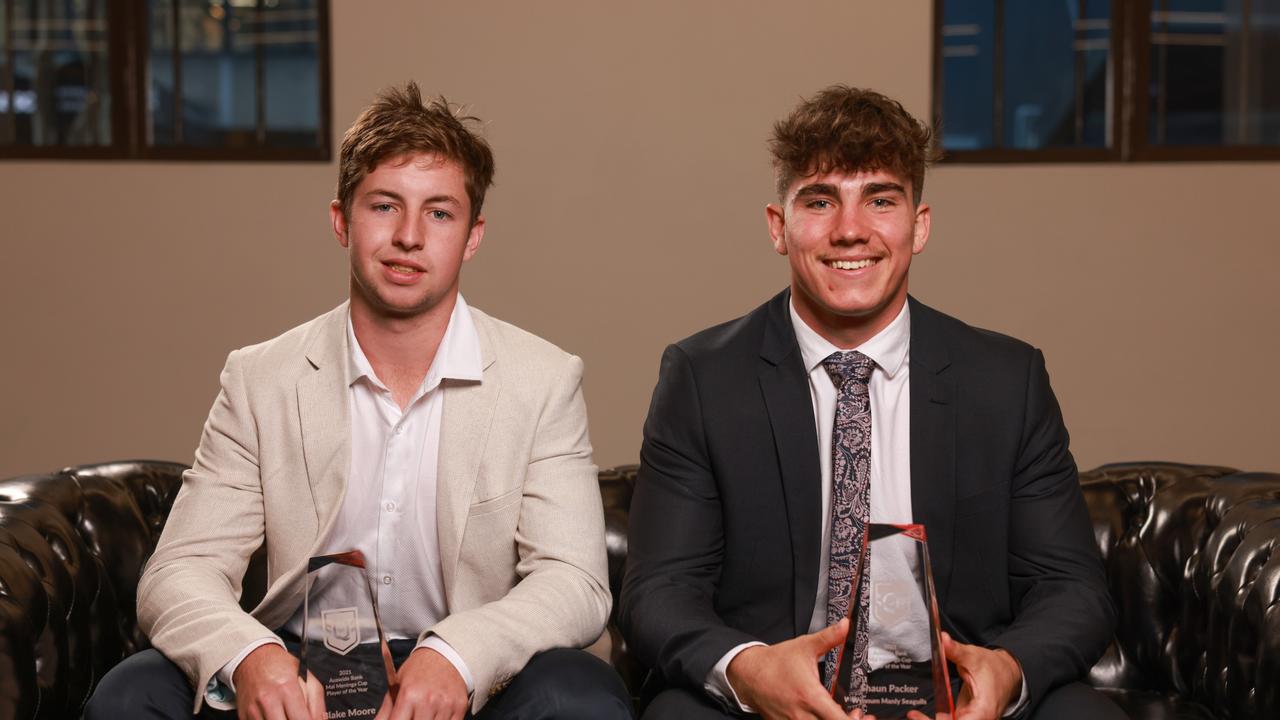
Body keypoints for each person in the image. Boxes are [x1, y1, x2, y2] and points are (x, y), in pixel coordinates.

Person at [86, 82, 633, 720]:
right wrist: (250, 656)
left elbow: (577, 583)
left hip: (471, 671)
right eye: (383, 206)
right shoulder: (260, 378)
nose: (408, 236)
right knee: (131, 695)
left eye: (439, 212)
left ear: (472, 235)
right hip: (298, 665)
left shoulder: (542, 380)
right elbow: (178, 572)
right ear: (342, 220)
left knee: (580, 697)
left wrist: (458, 655)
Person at [618, 85, 1121, 720]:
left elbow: (1071, 588)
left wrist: (1005, 671)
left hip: (956, 700)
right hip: (775, 695)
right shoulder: (702, 378)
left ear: (919, 224)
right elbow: (659, 590)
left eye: (880, 200)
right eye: (821, 201)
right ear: (780, 227)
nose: (850, 231)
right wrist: (750, 670)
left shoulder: (1007, 380)